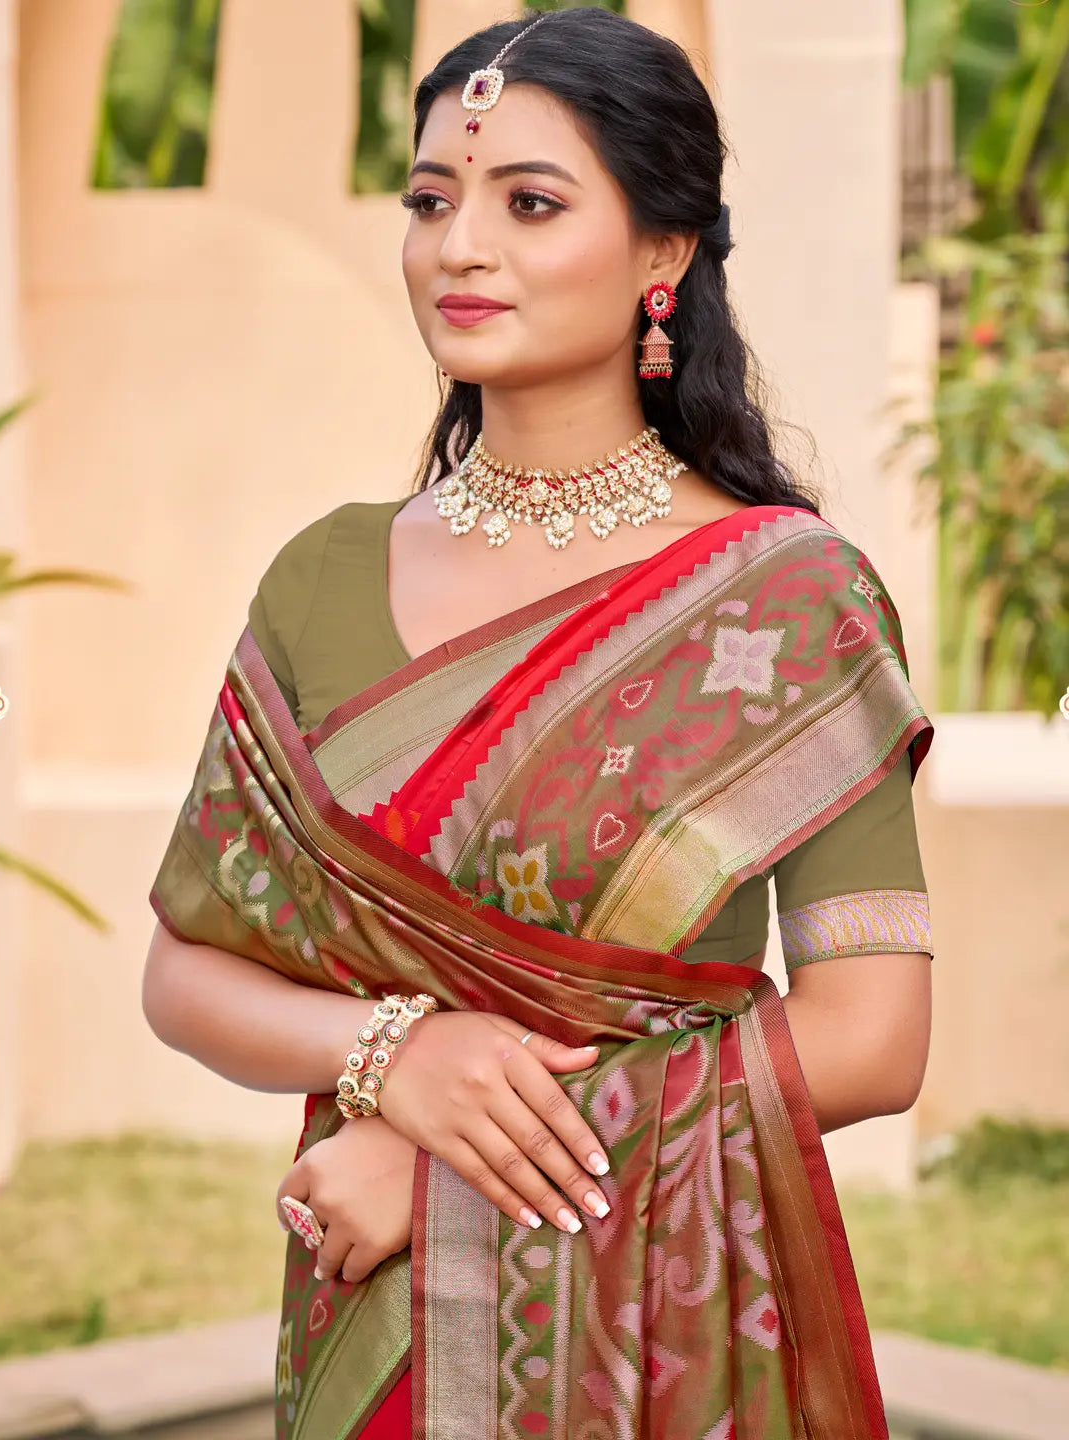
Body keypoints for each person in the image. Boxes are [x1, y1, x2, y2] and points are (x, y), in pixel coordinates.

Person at [142, 9, 934, 1438]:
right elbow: (187, 975)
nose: (460, 247)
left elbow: (873, 1041)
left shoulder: (785, 603)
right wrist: (392, 1057)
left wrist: (440, 1166)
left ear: (664, 255)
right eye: (433, 201)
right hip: (370, 1324)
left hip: (651, 1335)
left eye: (530, 203)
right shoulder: (325, 574)